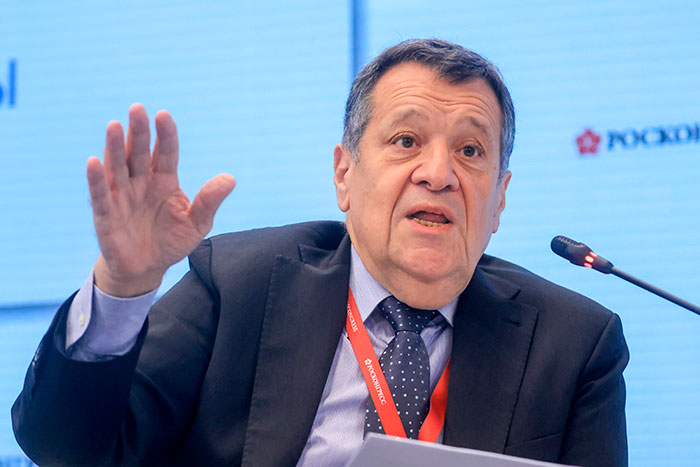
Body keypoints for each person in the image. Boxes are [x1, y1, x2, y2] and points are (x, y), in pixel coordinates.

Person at [12, 39, 628, 466]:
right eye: (406, 140)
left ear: (499, 199)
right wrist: (122, 288)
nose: (439, 174)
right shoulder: (239, 285)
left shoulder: (574, 344)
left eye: (471, 152)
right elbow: (70, 448)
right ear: (344, 175)